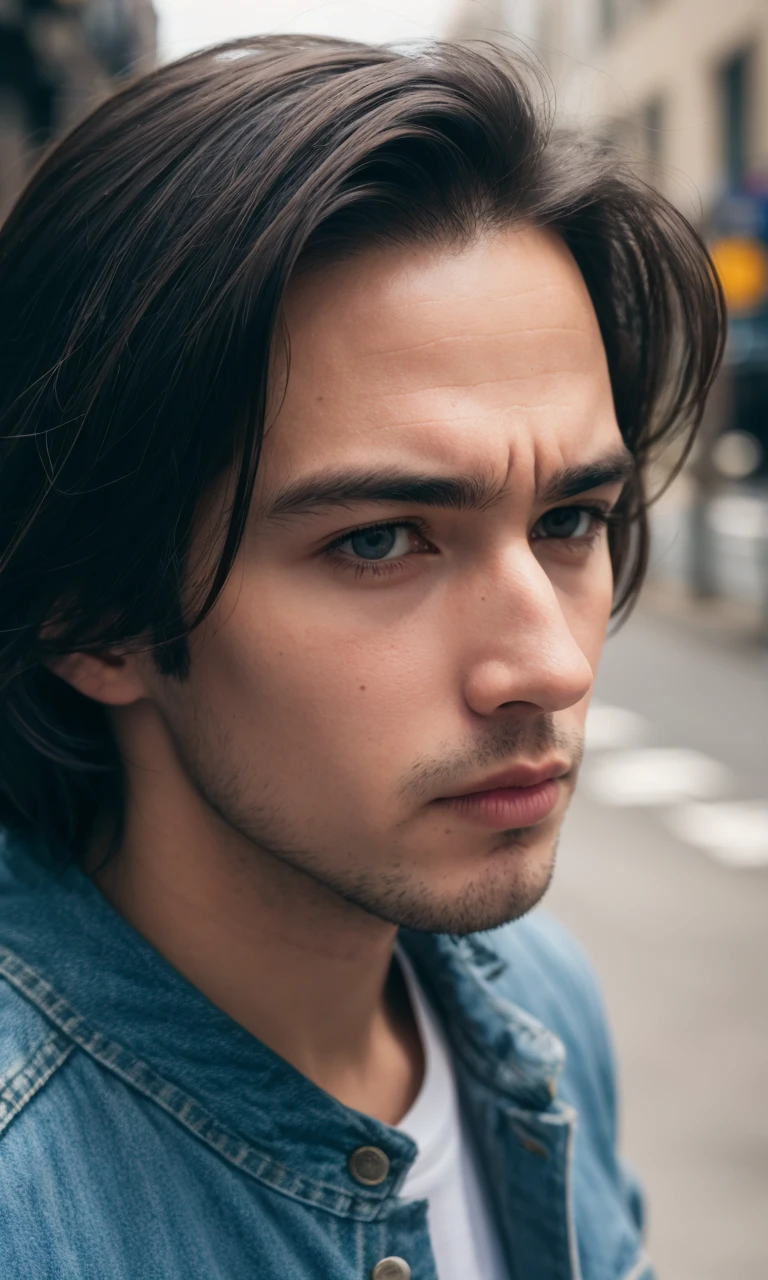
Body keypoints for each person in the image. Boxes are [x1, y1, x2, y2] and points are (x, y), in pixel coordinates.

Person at [0, 35, 722, 1280]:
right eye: (380, 540)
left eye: (570, 521)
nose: (548, 662)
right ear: (90, 611)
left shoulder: (538, 1001)